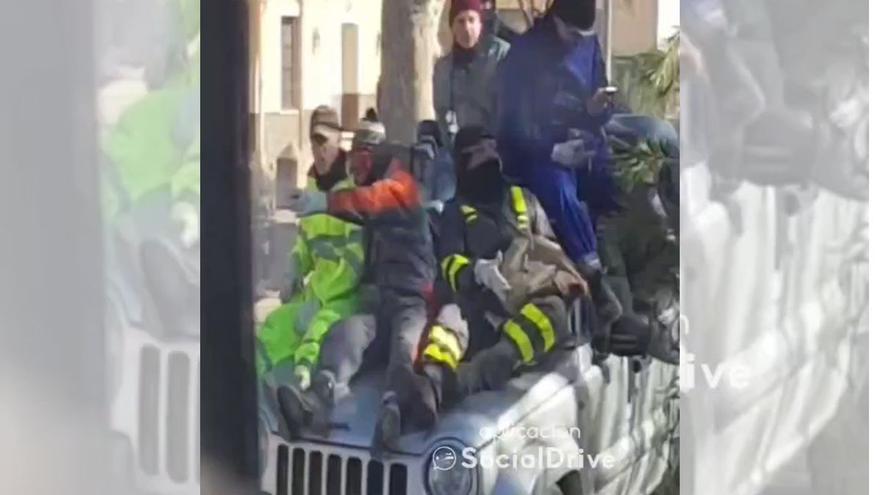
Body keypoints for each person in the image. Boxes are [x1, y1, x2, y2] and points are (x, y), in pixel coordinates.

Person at [281, 119, 437, 450]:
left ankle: (393, 411)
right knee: (348, 333)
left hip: (412, 299)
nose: (357, 171)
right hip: (378, 299)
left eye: (362, 162)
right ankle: (320, 394)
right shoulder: (373, 188)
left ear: (377, 156)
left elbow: (370, 200)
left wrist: (324, 202)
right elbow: (355, 214)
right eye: (353, 163)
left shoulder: (401, 186)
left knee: (404, 348)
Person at [425, 126, 589, 400]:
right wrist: (477, 272)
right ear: (463, 163)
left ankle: (483, 371)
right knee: (449, 319)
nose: (490, 157)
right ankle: (430, 384)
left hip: (528, 298)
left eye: (493, 148)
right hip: (481, 302)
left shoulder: (524, 198)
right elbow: (448, 262)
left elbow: (551, 252)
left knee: (552, 313)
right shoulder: (456, 210)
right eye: (480, 152)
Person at [496, 0, 623, 324]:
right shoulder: (524, 55)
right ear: (557, 21)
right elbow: (512, 127)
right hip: (534, 151)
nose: (577, 39)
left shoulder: (588, 45)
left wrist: (598, 109)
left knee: (612, 177)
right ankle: (593, 275)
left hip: (580, 137)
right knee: (560, 189)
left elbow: (601, 102)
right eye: (573, 32)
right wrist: (551, 150)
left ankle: (619, 263)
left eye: (583, 34)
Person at [256, 106, 365, 399]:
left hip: (345, 297)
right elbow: (306, 240)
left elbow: (357, 259)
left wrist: (322, 298)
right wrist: (294, 269)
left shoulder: (352, 189)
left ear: (338, 140)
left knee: (315, 334)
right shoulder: (312, 185)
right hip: (316, 293)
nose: (318, 151)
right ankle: (262, 394)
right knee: (273, 327)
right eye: (313, 142)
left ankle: (300, 391)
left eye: (323, 142)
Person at [433, 0, 509, 147]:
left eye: (471, 20)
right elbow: (442, 114)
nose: (467, 28)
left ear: (480, 23)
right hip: (460, 149)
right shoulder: (444, 68)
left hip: (496, 147)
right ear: (452, 27)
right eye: (460, 22)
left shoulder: (500, 56)